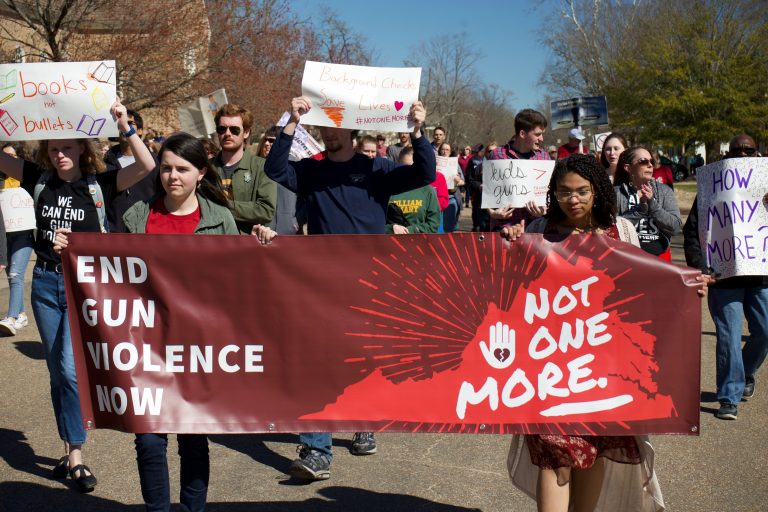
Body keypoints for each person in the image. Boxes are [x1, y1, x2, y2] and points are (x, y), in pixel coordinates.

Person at [500, 154, 705, 512]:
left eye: (581, 191)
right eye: (564, 192)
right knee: (556, 459)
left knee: (592, 454)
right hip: (548, 367)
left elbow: (644, 288)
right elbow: (507, 291)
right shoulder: (536, 232)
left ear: (597, 192)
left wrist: (685, 288)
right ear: (553, 194)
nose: (573, 200)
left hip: (604, 368)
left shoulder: (620, 231)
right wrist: (509, 241)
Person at [55, 132, 237, 510]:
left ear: (201, 173)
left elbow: (240, 280)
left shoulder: (220, 220)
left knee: (192, 438)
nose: (173, 176)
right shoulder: (138, 216)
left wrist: (265, 244)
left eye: (183, 169)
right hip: (146, 349)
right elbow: (112, 269)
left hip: (198, 351)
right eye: (167, 168)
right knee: (149, 440)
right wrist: (72, 248)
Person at [265, 95, 435, 480]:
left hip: (370, 282)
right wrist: (291, 122)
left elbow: (424, 174)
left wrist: (418, 131)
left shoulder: (377, 168)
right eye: (323, 124)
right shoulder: (310, 169)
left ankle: (363, 422)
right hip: (322, 283)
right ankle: (316, 449)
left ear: (351, 128)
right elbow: (276, 169)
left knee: (363, 361)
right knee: (318, 364)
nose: (329, 130)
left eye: (335, 124)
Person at [0, 98, 155, 493]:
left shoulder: (100, 184)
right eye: (54, 149)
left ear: (82, 150)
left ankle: (76, 451)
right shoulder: (38, 178)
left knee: (70, 370)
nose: (60, 155)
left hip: (84, 287)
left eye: (68, 148)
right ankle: (72, 452)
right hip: (47, 285)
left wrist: (125, 125)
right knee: (57, 372)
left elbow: (147, 166)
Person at [683, 133, 767, 421]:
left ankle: (745, 373)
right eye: (737, 150)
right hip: (724, 277)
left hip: (760, 277)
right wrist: (700, 266)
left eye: (748, 150)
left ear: (757, 154)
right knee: (729, 336)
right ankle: (729, 396)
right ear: (727, 154)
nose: (743, 154)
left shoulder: (766, 186)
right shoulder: (711, 187)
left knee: (765, 332)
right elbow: (692, 231)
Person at [209, 103, 277, 234]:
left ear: (246, 133)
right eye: (222, 129)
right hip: (213, 242)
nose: (227, 134)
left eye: (234, 130)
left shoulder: (262, 167)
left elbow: (266, 210)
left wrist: (224, 205)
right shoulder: (206, 168)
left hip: (246, 244)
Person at [486, 109, 551, 232]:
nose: (542, 138)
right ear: (522, 133)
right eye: (537, 134)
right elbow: (487, 190)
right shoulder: (497, 155)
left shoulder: (544, 158)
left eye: (542, 134)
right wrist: (492, 213)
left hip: (534, 229)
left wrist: (544, 211)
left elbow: (549, 194)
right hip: (503, 228)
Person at [615, 146, 682, 261]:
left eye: (651, 161)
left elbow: (675, 227)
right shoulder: (616, 193)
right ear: (628, 168)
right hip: (626, 259)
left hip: (659, 259)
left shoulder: (664, 191)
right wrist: (639, 211)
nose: (650, 165)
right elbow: (611, 231)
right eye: (643, 161)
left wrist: (652, 204)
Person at [104, 108, 160, 233]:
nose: (124, 127)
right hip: (116, 233)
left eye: (130, 123)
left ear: (139, 131)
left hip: (147, 230)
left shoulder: (156, 162)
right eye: (120, 124)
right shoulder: (104, 164)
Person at [0, 143, 31, 335]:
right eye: (5, 157)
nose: (8, 160)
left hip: (24, 233)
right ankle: (22, 313)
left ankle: (10, 318)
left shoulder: (28, 180)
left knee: (16, 275)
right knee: (11, 275)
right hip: (5, 235)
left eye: (12, 156)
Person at [386, 147, 440, 234]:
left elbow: (433, 225)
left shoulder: (428, 191)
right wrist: (391, 228)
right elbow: (375, 223)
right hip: (391, 243)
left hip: (419, 244)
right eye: (404, 167)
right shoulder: (387, 190)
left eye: (413, 167)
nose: (408, 171)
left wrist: (410, 230)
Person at [437, 142, 464, 233]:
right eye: (443, 149)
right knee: (438, 227)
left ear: (450, 151)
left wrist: (457, 181)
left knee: (449, 228)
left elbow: (462, 181)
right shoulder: (434, 163)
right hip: (437, 198)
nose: (445, 152)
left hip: (451, 197)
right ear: (440, 150)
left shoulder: (454, 164)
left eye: (447, 150)